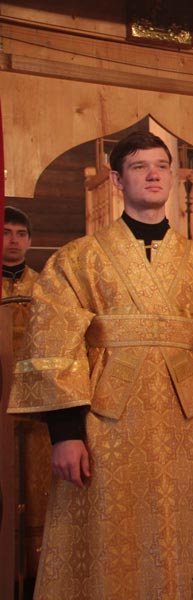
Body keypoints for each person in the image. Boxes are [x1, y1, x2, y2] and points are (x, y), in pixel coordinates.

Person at [8, 131, 193, 599]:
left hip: (183, 423)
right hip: (103, 424)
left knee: (179, 533)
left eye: (161, 165)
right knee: (105, 532)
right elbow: (54, 346)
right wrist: (65, 432)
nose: (153, 174)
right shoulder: (78, 259)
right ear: (118, 180)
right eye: (139, 166)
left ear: (172, 177)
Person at [2, 206, 49, 590]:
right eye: (6, 233)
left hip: (35, 410)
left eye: (20, 234)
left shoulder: (44, 287)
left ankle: (35, 577)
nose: (13, 241)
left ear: (30, 241)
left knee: (36, 487)